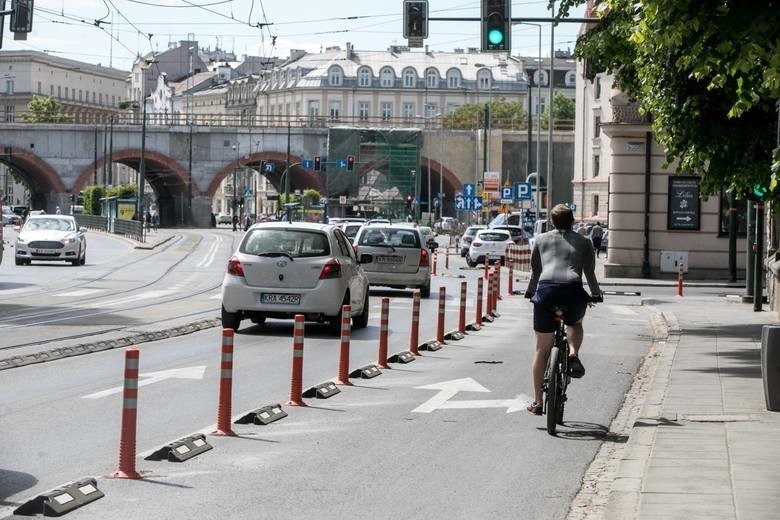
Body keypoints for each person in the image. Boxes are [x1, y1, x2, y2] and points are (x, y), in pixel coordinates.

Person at [524, 204, 602, 416]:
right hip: (572, 290)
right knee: (574, 323)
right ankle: (574, 354)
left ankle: (538, 402)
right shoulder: (584, 242)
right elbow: (589, 273)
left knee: (541, 349)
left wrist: (530, 292)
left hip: (546, 291)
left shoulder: (540, 240)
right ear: (573, 221)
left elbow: (536, 272)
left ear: (551, 222)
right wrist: (595, 294)